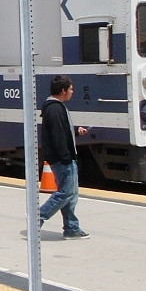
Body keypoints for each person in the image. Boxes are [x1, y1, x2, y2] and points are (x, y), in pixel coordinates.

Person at [38, 75, 90, 239]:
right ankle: (38, 217)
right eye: (71, 89)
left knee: (71, 194)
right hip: (63, 160)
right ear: (63, 90)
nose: (72, 92)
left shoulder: (56, 107)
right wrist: (66, 157)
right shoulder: (54, 109)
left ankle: (72, 228)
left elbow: (62, 131)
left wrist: (75, 132)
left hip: (63, 158)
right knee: (66, 193)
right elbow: (58, 135)